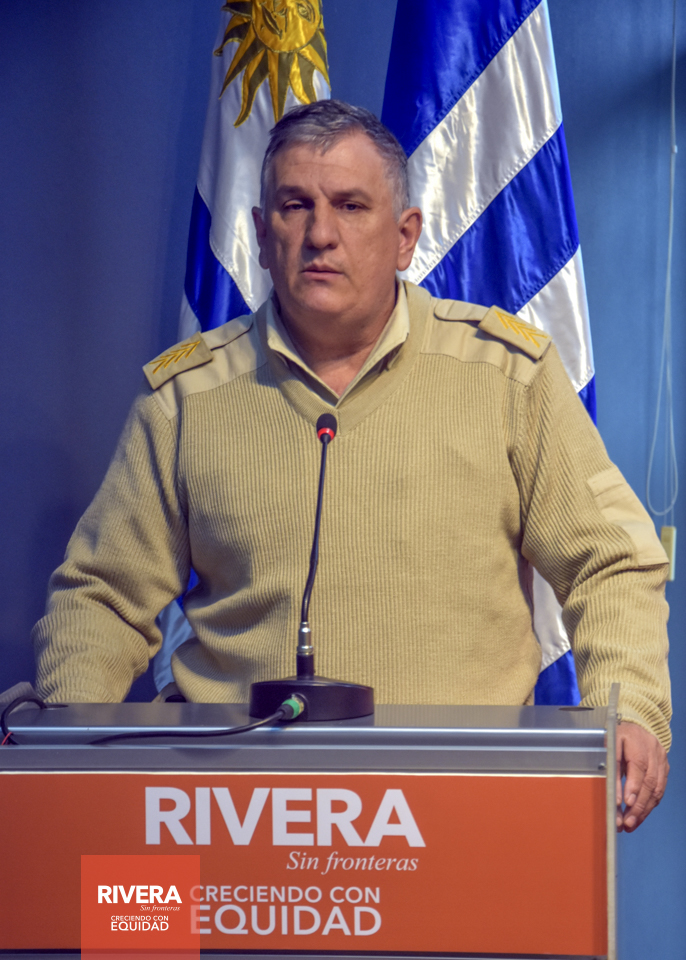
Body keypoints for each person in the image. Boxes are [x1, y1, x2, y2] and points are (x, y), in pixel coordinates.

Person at [32, 100, 670, 832]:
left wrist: (631, 707)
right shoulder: (188, 398)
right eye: (295, 206)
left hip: (463, 806)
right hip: (232, 812)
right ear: (260, 235)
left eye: (351, 205)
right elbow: (103, 596)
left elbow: (610, 561)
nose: (321, 234)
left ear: (405, 237)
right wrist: (66, 753)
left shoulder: (507, 377)